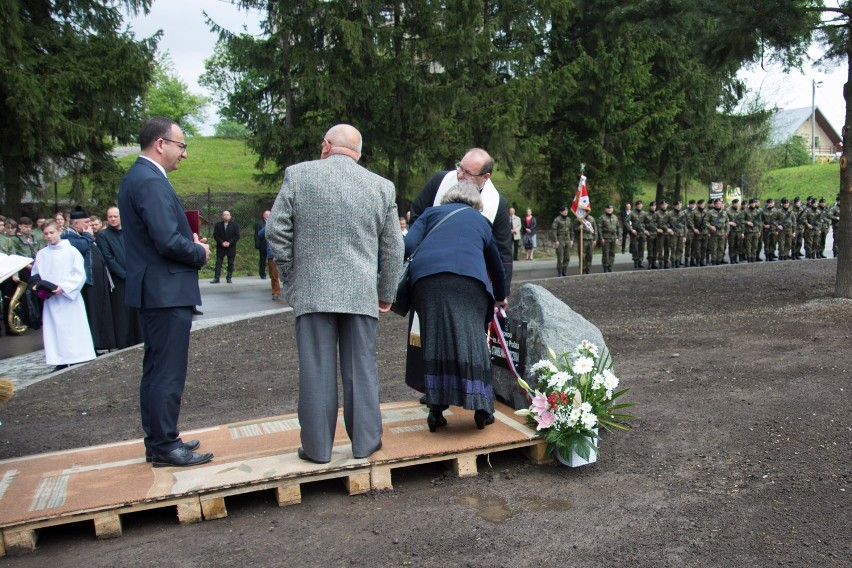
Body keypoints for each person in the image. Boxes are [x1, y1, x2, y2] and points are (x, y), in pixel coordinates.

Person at [266, 123, 403, 464]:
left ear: (326, 145)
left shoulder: (298, 176)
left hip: (312, 292)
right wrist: (385, 293)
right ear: (358, 152)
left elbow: (275, 230)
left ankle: (317, 449)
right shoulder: (381, 187)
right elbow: (393, 248)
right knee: (362, 369)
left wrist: (291, 279)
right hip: (360, 293)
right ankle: (365, 443)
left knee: (316, 370)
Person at [119, 116, 212, 468]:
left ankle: (160, 438)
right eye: (181, 146)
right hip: (164, 290)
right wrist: (198, 251)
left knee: (158, 368)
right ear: (161, 144)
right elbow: (166, 240)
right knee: (167, 370)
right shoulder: (150, 182)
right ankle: (164, 445)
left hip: (158, 289)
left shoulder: (140, 178)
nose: (183, 154)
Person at [405, 181, 507, 432]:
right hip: (468, 283)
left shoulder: (430, 214)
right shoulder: (481, 221)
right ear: (476, 204)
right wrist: (500, 296)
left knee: (435, 340)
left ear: (449, 199)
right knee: (473, 339)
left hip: (426, 282)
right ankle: (482, 409)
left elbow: (407, 246)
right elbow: (496, 264)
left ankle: (435, 410)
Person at [409, 148, 513, 288]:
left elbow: (503, 251)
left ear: (485, 177)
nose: (460, 175)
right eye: (460, 167)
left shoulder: (497, 204)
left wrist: (503, 291)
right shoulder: (440, 180)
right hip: (429, 266)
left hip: (470, 276)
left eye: (468, 173)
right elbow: (417, 213)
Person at [31, 221, 96, 371]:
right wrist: (38, 287)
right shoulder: (42, 254)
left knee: (72, 328)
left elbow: (80, 274)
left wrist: (64, 287)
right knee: (55, 331)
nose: (48, 236)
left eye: (51, 233)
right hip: (51, 299)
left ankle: (77, 357)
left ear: (59, 231)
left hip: (68, 298)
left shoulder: (71, 251)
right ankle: (59, 358)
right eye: (46, 233)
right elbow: (35, 274)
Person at [62, 206, 116, 351]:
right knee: (91, 314)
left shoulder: (82, 233)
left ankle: (101, 343)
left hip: (97, 280)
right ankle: (92, 344)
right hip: (86, 283)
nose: (89, 225)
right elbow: (82, 247)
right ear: (76, 223)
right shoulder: (68, 236)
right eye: (86, 222)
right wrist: (87, 235)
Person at [96, 206, 144, 348]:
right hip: (119, 280)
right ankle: (123, 341)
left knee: (137, 310)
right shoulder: (103, 235)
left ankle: (139, 338)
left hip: (134, 277)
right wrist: (124, 275)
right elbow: (108, 258)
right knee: (122, 312)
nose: (112, 219)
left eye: (115, 216)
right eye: (110, 216)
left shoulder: (129, 232)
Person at [211, 210, 240, 283]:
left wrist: (229, 242)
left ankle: (229, 278)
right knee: (218, 263)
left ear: (230, 216)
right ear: (222, 216)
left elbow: (237, 236)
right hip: (221, 246)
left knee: (230, 263)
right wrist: (222, 242)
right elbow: (215, 235)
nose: (226, 216)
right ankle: (216, 278)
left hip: (231, 247)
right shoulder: (218, 225)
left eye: (227, 214)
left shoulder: (235, 225)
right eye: (224, 214)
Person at [257, 223, 281, 301]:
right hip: (272, 253)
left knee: (290, 275)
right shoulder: (269, 225)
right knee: (274, 275)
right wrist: (268, 224)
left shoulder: (284, 223)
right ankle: (275, 292)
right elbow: (260, 234)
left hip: (285, 252)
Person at [597, 204, 621, 273]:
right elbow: (600, 228)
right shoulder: (602, 217)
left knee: (612, 253)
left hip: (613, 237)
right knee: (605, 253)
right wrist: (601, 238)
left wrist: (618, 237)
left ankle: (610, 266)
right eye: (608, 208)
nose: (609, 210)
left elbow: (618, 227)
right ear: (605, 209)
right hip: (606, 238)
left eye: (611, 208)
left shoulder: (615, 217)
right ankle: (605, 267)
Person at [551, 205, 573, 276]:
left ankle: (565, 270)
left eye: (566, 210)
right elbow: (554, 230)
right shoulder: (557, 220)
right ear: (561, 212)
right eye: (564, 211)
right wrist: (556, 240)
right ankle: (560, 272)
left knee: (567, 257)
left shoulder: (569, 219)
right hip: (560, 240)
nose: (566, 212)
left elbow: (571, 230)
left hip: (567, 239)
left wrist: (572, 239)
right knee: (560, 257)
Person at [254, 210, 270, 279]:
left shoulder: (274, 223)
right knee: (262, 260)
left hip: (271, 245)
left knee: (271, 260)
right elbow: (257, 234)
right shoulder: (259, 223)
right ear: (263, 215)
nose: (267, 216)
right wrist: (257, 244)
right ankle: (262, 274)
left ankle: (272, 273)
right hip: (263, 244)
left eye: (269, 214)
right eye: (266, 214)